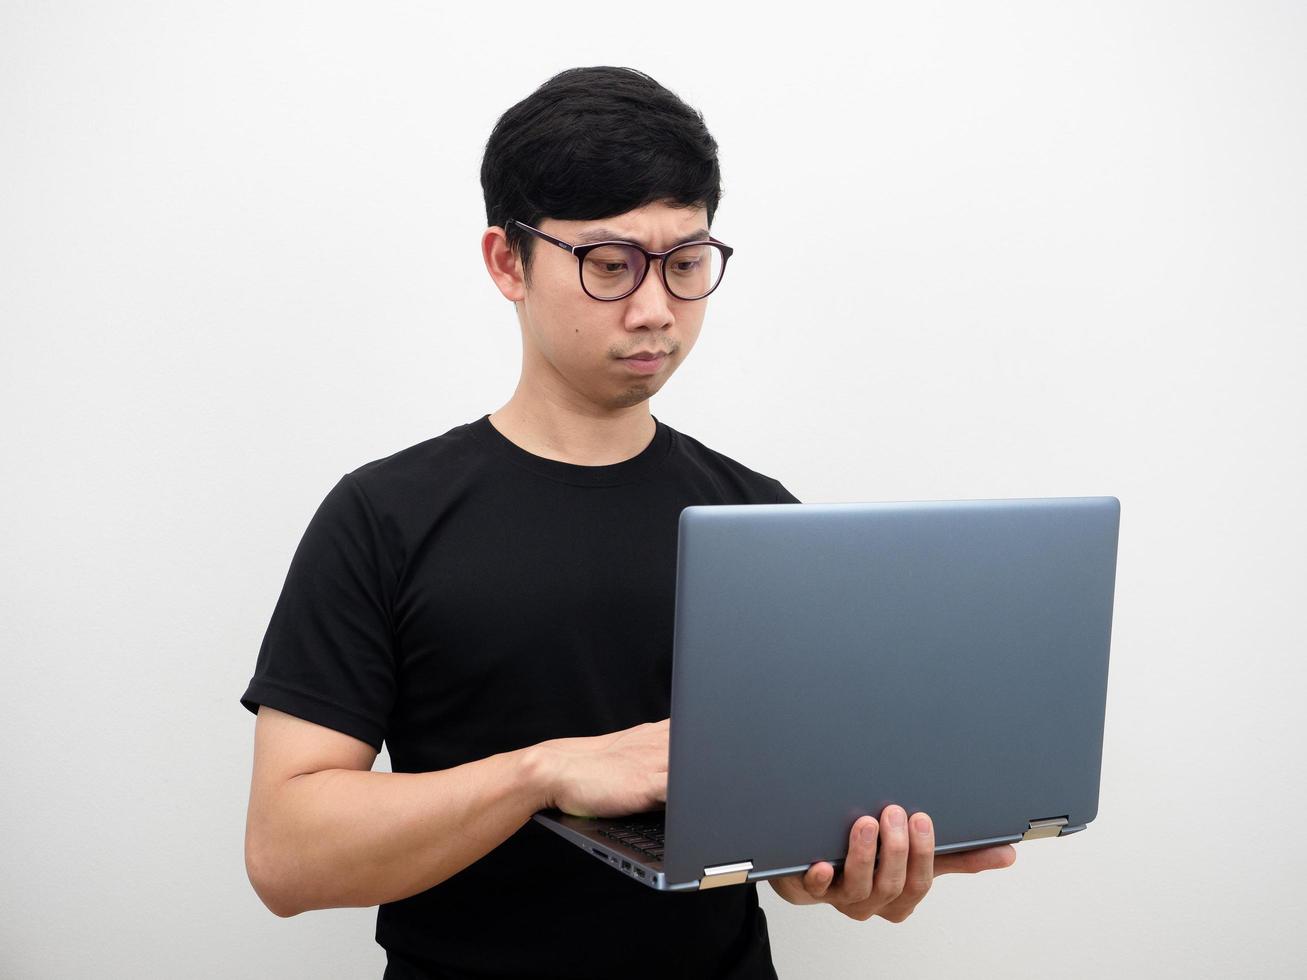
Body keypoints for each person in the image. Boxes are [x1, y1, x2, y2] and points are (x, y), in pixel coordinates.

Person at [239, 65, 1016, 980]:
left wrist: (834, 869)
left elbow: (786, 845)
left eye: (686, 265)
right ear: (505, 262)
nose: (655, 310)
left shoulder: (758, 520)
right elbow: (286, 856)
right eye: (609, 266)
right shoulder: (382, 516)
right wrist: (544, 773)